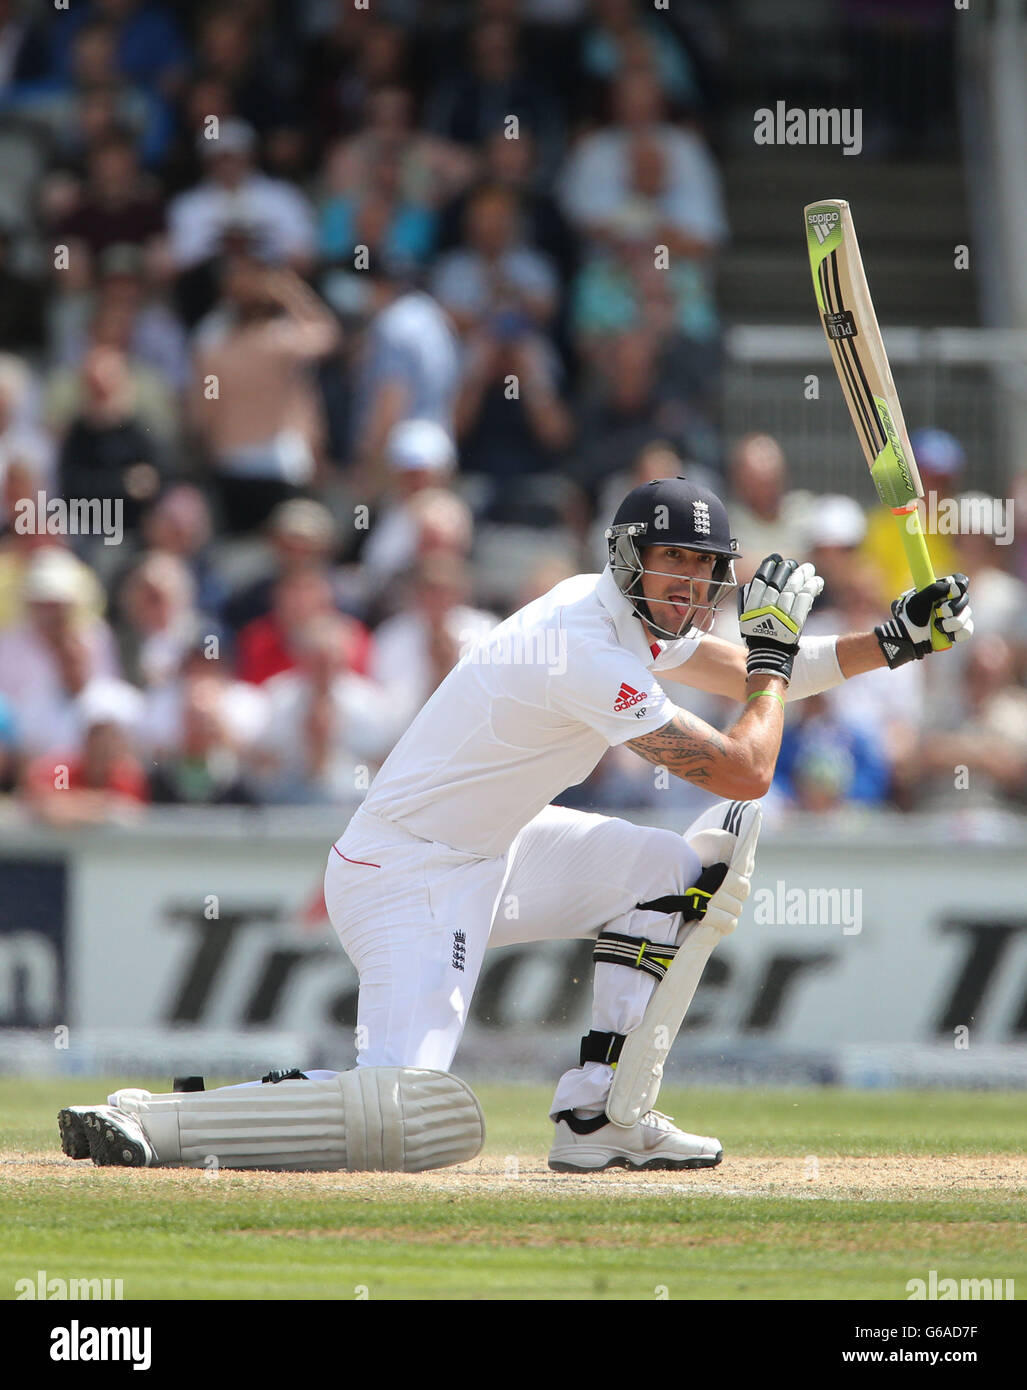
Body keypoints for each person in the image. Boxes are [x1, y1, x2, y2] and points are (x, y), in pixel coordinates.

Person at [58, 478, 974, 1172]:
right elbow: (749, 763)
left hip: (495, 848)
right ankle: (155, 1115)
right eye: (672, 564)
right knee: (405, 1108)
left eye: (702, 570)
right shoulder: (582, 646)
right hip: (403, 873)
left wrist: (895, 641)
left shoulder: (626, 616)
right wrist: (773, 663)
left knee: (674, 867)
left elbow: (748, 676)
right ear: (628, 560)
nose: (688, 585)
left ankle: (599, 1120)